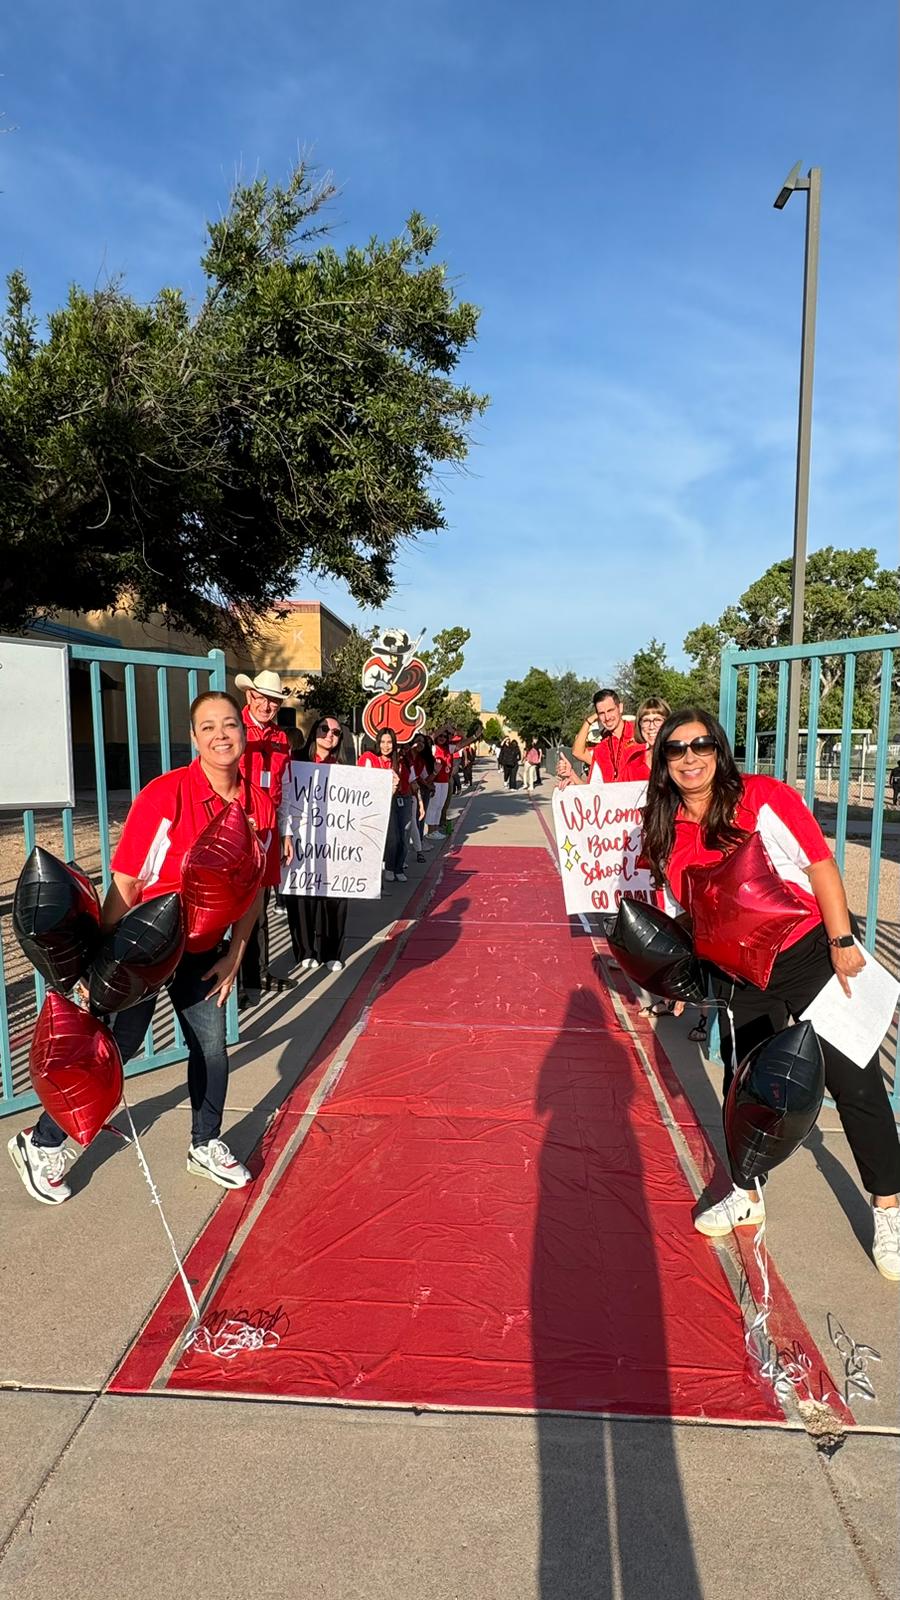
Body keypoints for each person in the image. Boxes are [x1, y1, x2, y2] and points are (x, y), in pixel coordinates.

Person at [641, 706, 900, 1279]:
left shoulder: (762, 797)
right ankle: (747, 1191)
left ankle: (889, 1210)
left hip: (807, 956)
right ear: (663, 762)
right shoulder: (662, 826)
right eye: (676, 750)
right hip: (738, 975)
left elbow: (820, 865)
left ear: (719, 749)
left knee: (854, 1084)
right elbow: (685, 909)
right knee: (748, 1089)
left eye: (701, 745)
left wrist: (841, 939)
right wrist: (676, 973)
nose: (690, 758)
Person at [9, 692, 281, 1204]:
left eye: (229, 725)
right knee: (116, 1046)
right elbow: (129, 882)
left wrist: (237, 951)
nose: (221, 735)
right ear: (194, 738)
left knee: (211, 1048)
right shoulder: (166, 794)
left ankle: (204, 1143)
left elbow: (254, 887)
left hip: (203, 951)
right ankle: (40, 1141)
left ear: (244, 733)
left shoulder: (260, 805)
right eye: (208, 727)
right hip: (144, 947)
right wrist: (99, 956)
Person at [234, 669, 292, 1007]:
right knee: (234, 905)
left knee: (261, 904)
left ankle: (259, 972)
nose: (267, 705)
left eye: (273, 700)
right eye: (262, 698)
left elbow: (281, 789)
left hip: (269, 830)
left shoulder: (281, 738)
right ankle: (235, 979)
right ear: (249, 697)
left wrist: (284, 832)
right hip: (239, 827)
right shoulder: (235, 730)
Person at [282, 715, 349, 974]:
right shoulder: (296, 760)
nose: (330, 735)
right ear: (314, 731)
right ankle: (305, 951)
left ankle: (333, 952)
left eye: (336, 732)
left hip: (335, 843)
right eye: (324, 729)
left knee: (336, 897)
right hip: (300, 839)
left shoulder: (344, 766)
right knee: (301, 897)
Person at [561, 689, 642, 786]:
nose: (607, 717)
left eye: (610, 710)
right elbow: (577, 752)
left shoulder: (640, 733)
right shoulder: (602, 747)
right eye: (601, 713)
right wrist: (588, 721)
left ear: (620, 708)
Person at [359, 731, 407, 882]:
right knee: (390, 838)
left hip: (393, 802)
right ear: (377, 742)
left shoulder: (397, 762)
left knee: (402, 837)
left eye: (389, 742)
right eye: (383, 742)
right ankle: (388, 868)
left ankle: (396, 867)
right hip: (373, 805)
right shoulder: (369, 757)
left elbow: (405, 783)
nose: (386, 746)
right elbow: (361, 779)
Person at [425, 728, 452, 837]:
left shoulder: (448, 749)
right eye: (440, 736)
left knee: (440, 806)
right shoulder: (433, 748)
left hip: (444, 782)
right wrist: (444, 726)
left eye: (445, 736)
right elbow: (431, 737)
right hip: (434, 781)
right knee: (433, 806)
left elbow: (462, 744)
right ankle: (430, 831)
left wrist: (474, 736)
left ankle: (435, 829)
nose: (442, 738)